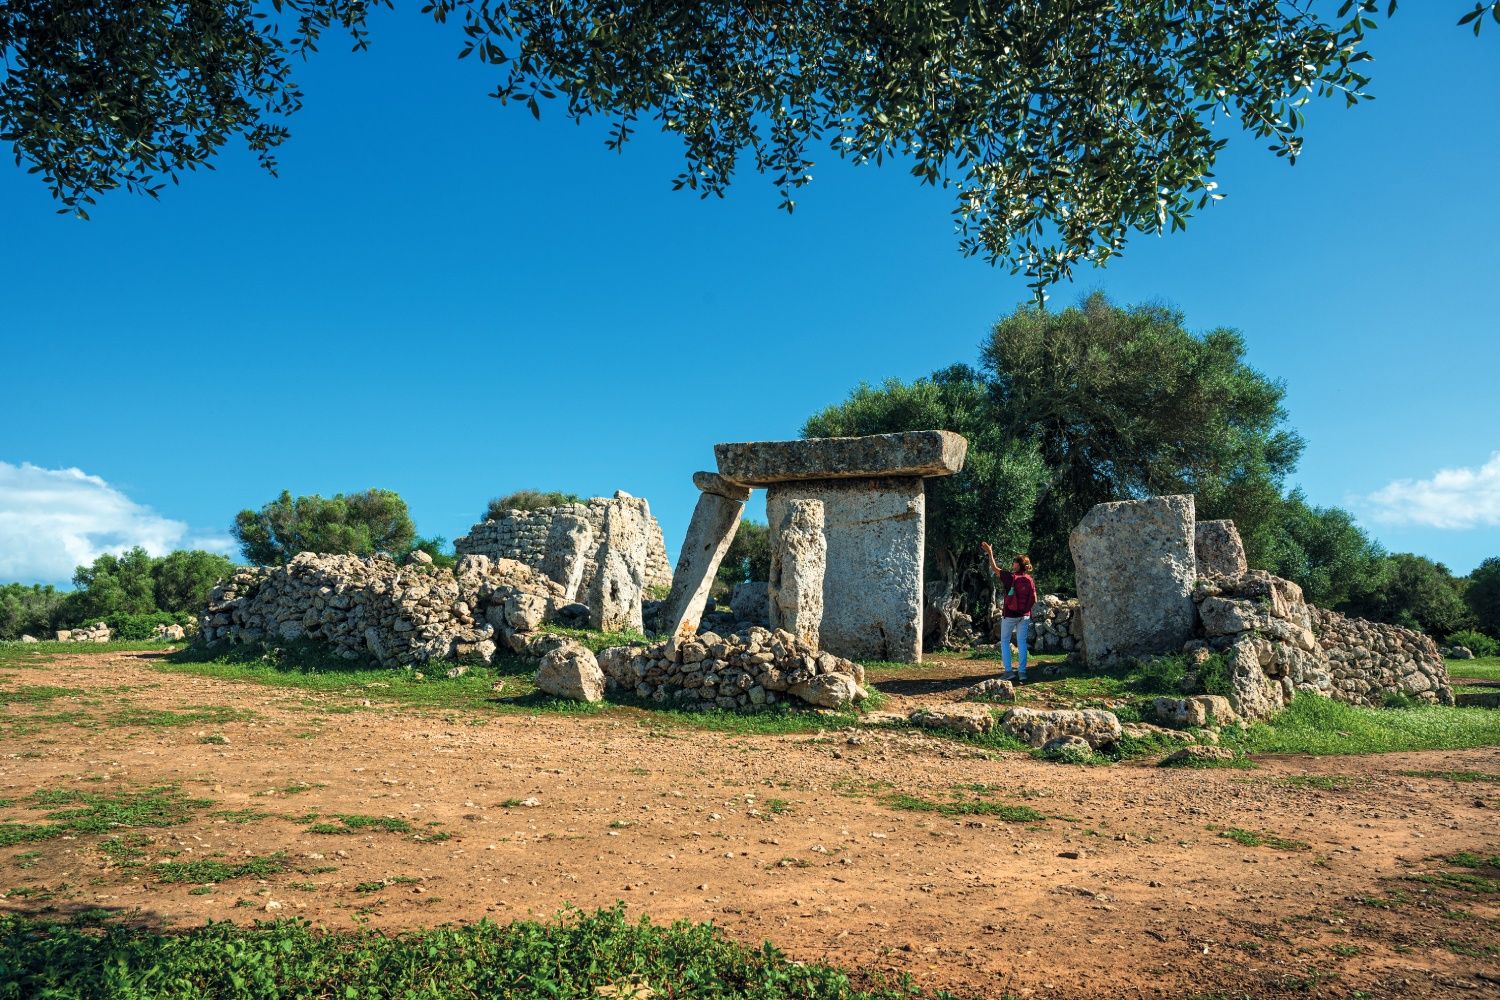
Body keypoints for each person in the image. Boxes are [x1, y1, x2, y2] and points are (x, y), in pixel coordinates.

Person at [980, 542, 1036, 683]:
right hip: (1025, 615)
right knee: (1022, 642)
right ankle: (1022, 673)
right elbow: (1034, 597)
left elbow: (994, 568)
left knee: (1005, 641)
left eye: (1015, 562)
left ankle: (1009, 671)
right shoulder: (1030, 580)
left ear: (1018, 565)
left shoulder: (1010, 577)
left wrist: (990, 553)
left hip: (1010, 614)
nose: (1013, 563)